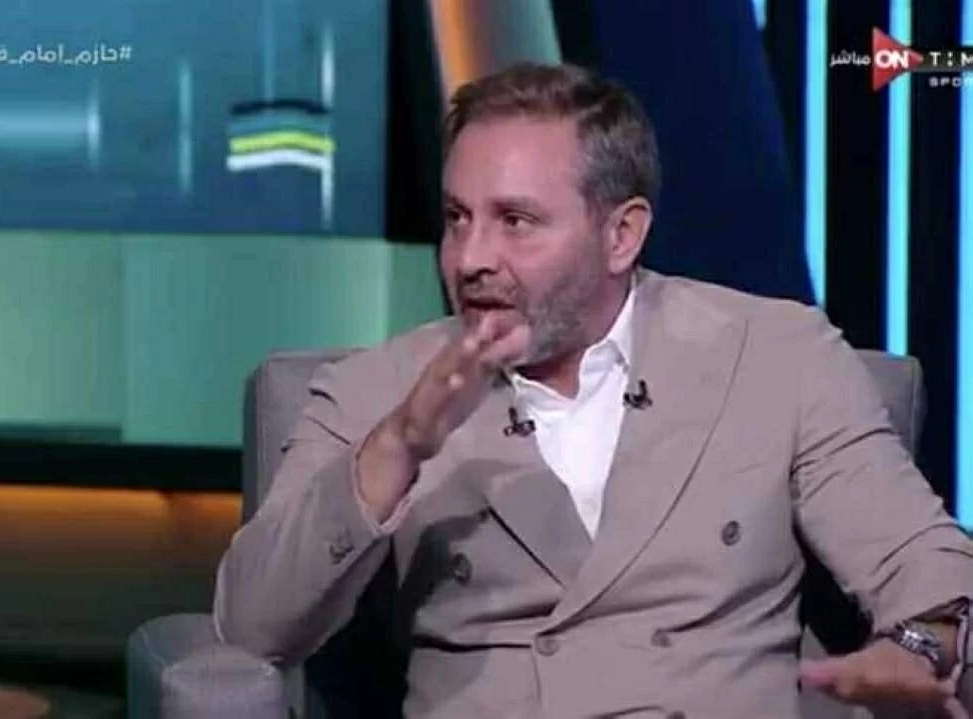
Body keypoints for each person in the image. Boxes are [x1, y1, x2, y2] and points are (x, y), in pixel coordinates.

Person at [213, 63, 973, 718]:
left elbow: (925, 562)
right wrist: (399, 447)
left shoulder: (776, 355)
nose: (471, 257)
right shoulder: (376, 391)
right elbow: (252, 624)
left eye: (515, 221)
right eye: (457, 218)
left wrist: (923, 645)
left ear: (622, 235)